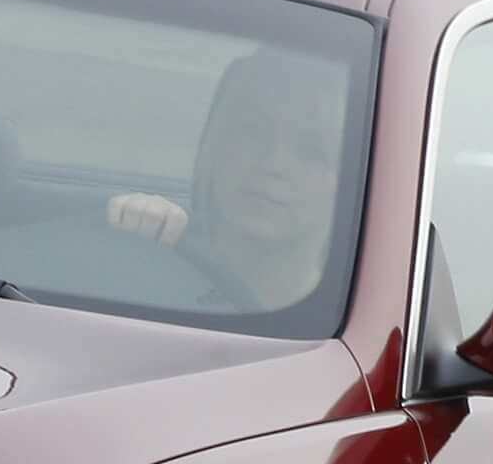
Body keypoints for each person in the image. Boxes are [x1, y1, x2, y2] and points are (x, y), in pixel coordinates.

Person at [104, 47, 347, 309]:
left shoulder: (361, 322)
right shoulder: (148, 261)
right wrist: (135, 233)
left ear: (348, 181)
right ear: (215, 145)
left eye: (312, 150)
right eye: (253, 131)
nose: (274, 163)